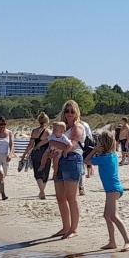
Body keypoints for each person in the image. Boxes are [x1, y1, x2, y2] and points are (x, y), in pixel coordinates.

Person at [84, 130, 129, 252]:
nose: (97, 145)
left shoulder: (105, 158)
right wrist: (98, 150)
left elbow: (86, 161)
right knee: (107, 215)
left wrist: (95, 150)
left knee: (113, 216)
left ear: (104, 145)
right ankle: (112, 242)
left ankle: (128, 241)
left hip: (113, 189)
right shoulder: (111, 155)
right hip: (112, 189)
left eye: (99, 143)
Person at [47, 100, 85, 240]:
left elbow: (72, 146)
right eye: (67, 111)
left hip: (72, 160)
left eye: (72, 111)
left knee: (71, 197)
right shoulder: (60, 127)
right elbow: (54, 146)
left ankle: (73, 229)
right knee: (60, 197)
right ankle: (65, 227)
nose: (69, 114)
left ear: (76, 113)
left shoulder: (77, 127)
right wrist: (52, 149)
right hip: (59, 160)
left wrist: (52, 143)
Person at [20, 112, 51, 199]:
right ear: (47, 121)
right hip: (46, 153)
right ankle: (42, 191)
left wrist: (24, 154)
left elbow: (30, 145)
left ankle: (41, 191)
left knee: (38, 173)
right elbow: (52, 144)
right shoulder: (49, 132)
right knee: (45, 172)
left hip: (36, 153)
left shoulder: (34, 131)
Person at [0, 116, 15, 200]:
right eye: (0, 124)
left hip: (5, 157)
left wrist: (10, 154)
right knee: (1, 174)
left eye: (4, 124)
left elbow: (12, 145)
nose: (2, 126)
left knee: (2, 177)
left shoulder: (9, 133)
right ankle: (3, 194)